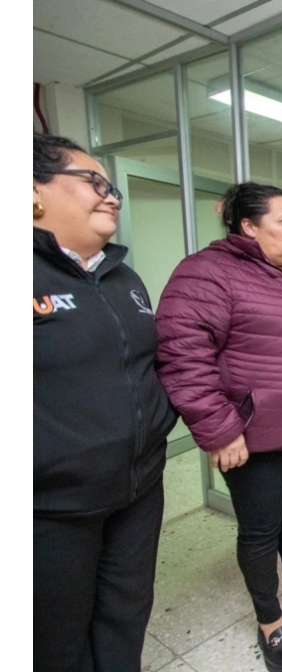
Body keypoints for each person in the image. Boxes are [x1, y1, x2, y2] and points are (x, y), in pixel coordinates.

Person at [156, 182, 282, 672]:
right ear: (249, 226)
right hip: (253, 436)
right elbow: (183, 358)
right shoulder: (206, 273)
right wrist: (220, 430)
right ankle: (271, 621)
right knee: (261, 528)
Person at [34, 133, 178, 672]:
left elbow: (150, 364)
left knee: (125, 616)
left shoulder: (124, 278)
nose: (110, 195)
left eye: (112, 185)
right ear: (33, 192)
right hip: (52, 508)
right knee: (56, 637)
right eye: (92, 182)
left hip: (138, 490)